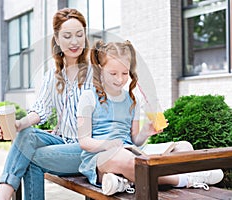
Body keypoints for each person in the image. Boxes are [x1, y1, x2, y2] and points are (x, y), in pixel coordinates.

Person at [76, 40, 224, 196]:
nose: (119, 79)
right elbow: (84, 142)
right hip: (101, 159)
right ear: (100, 69)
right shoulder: (89, 97)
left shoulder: (131, 100)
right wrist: (107, 144)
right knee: (126, 158)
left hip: (132, 153)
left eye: (125, 73)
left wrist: (146, 132)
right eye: (113, 73)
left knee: (184, 147)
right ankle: (186, 179)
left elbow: (135, 141)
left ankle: (123, 181)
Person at [0, 8, 92, 200]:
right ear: (57, 39)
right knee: (26, 134)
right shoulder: (53, 76)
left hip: (87, 148)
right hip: (62, 140)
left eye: (80, 35)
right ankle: (3, 193)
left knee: (29, 156)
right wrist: (19, 124)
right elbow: (41, 110)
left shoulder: (95, 73)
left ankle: (2, 197)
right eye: (67, 36)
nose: (75, 42)